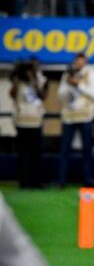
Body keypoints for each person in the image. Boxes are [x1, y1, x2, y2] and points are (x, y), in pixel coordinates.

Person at [57, 53, 94, 188]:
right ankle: (61, 180)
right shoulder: (66, 75)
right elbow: (61, 96)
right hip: (69, 117)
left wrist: (78, 84)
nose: (79, 63)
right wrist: (69, 84)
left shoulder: (91, 74)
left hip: (86, 116)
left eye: (82, 61)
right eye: (77, 61)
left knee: (87, 150)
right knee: (64, 150)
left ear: (85, 62)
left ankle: (88, 180)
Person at [9, 59, 47, 189]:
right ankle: (24, 181)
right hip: (22, 121)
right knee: (23, 154)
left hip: (36, 121)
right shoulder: (19, 81)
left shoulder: (41, 80)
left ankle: (36, 181)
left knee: (36, 154)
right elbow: (12, 94)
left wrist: (34, 81)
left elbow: (42, 95)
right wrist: (17, 81)